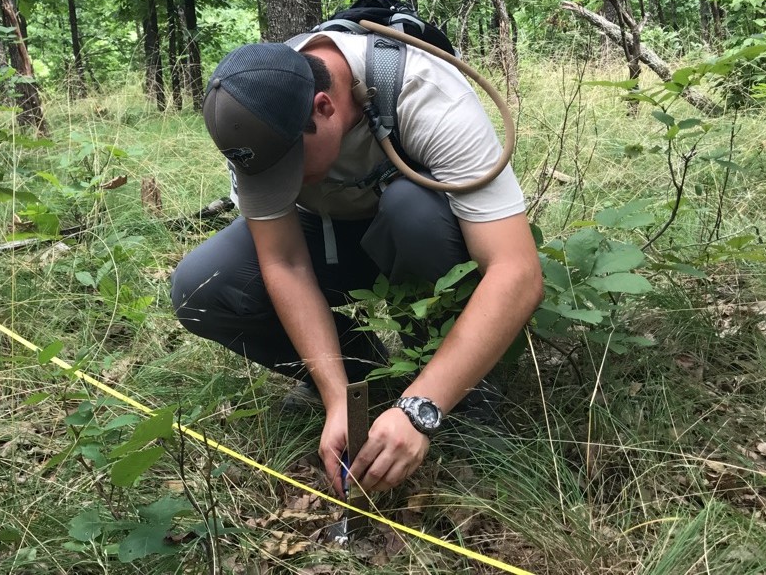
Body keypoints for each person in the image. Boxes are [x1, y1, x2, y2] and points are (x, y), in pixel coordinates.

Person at [170, 29, 543, 498]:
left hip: (418, 240)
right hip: (325, 242)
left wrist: (421, 408)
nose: (285, 186)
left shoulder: (426, 92)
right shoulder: (250, 115)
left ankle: (453, 388)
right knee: (202, 284)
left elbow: (517, 273)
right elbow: (284, 261)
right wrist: (337, 394)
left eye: (291, 170)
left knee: (412, 211)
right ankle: (366, 384)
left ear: (324, 107)